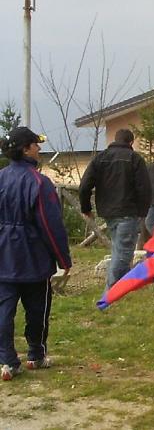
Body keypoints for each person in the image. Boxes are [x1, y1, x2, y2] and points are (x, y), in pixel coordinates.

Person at [0, 127, 72, 381]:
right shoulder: (39, 182)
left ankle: (7, 361)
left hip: (4, 256)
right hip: (33, 255)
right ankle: (35, 354)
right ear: (25, 149)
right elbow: (50, 225)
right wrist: (63, 259)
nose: (39, 149)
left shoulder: (0, 178)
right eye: (35, 144)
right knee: (37, 309)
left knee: (4, 310)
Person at [79, 129, 151, 289]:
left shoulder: (100, 158)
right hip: (128, 211)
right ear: (131, 142)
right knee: (123, 255)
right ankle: (110, 293)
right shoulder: (134, 158)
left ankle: (123, 289)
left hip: (107, 212)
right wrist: (143, 212)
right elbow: (144, 188)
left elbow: (84, 185)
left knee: (119, 250)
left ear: (115, 139)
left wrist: (86, 207)